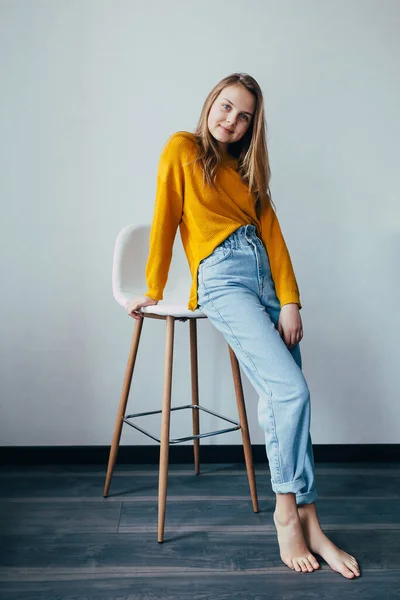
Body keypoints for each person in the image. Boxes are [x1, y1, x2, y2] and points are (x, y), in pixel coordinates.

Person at [126, 73, 360, 579]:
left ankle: (311, 520)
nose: (230, 120)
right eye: (226, 107)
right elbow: (164, 216)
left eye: (243, 116)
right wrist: (154, 285)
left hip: (265, 281)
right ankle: (285, 514)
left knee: (296, 399)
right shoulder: (182, 148)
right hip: (222, 278)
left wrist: (291, 301)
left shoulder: (250, 172)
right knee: (289, 393)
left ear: (253, 126)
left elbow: (274, 238)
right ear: (211, 102)